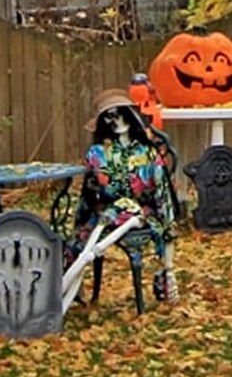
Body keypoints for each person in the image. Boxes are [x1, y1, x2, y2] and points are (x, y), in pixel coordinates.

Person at [71, 87, 179, 302]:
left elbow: (162, 194)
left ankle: (166, 277)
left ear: (131, 116)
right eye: (110, 116)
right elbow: (89, 194)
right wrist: (80, 224)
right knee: (78, 240)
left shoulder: (147, 152)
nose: (117, 120)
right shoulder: (96, 155)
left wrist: (166, 226)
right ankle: (72, 283)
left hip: (142, 214)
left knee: (162, 229)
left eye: (121, 113)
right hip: (106, 213)